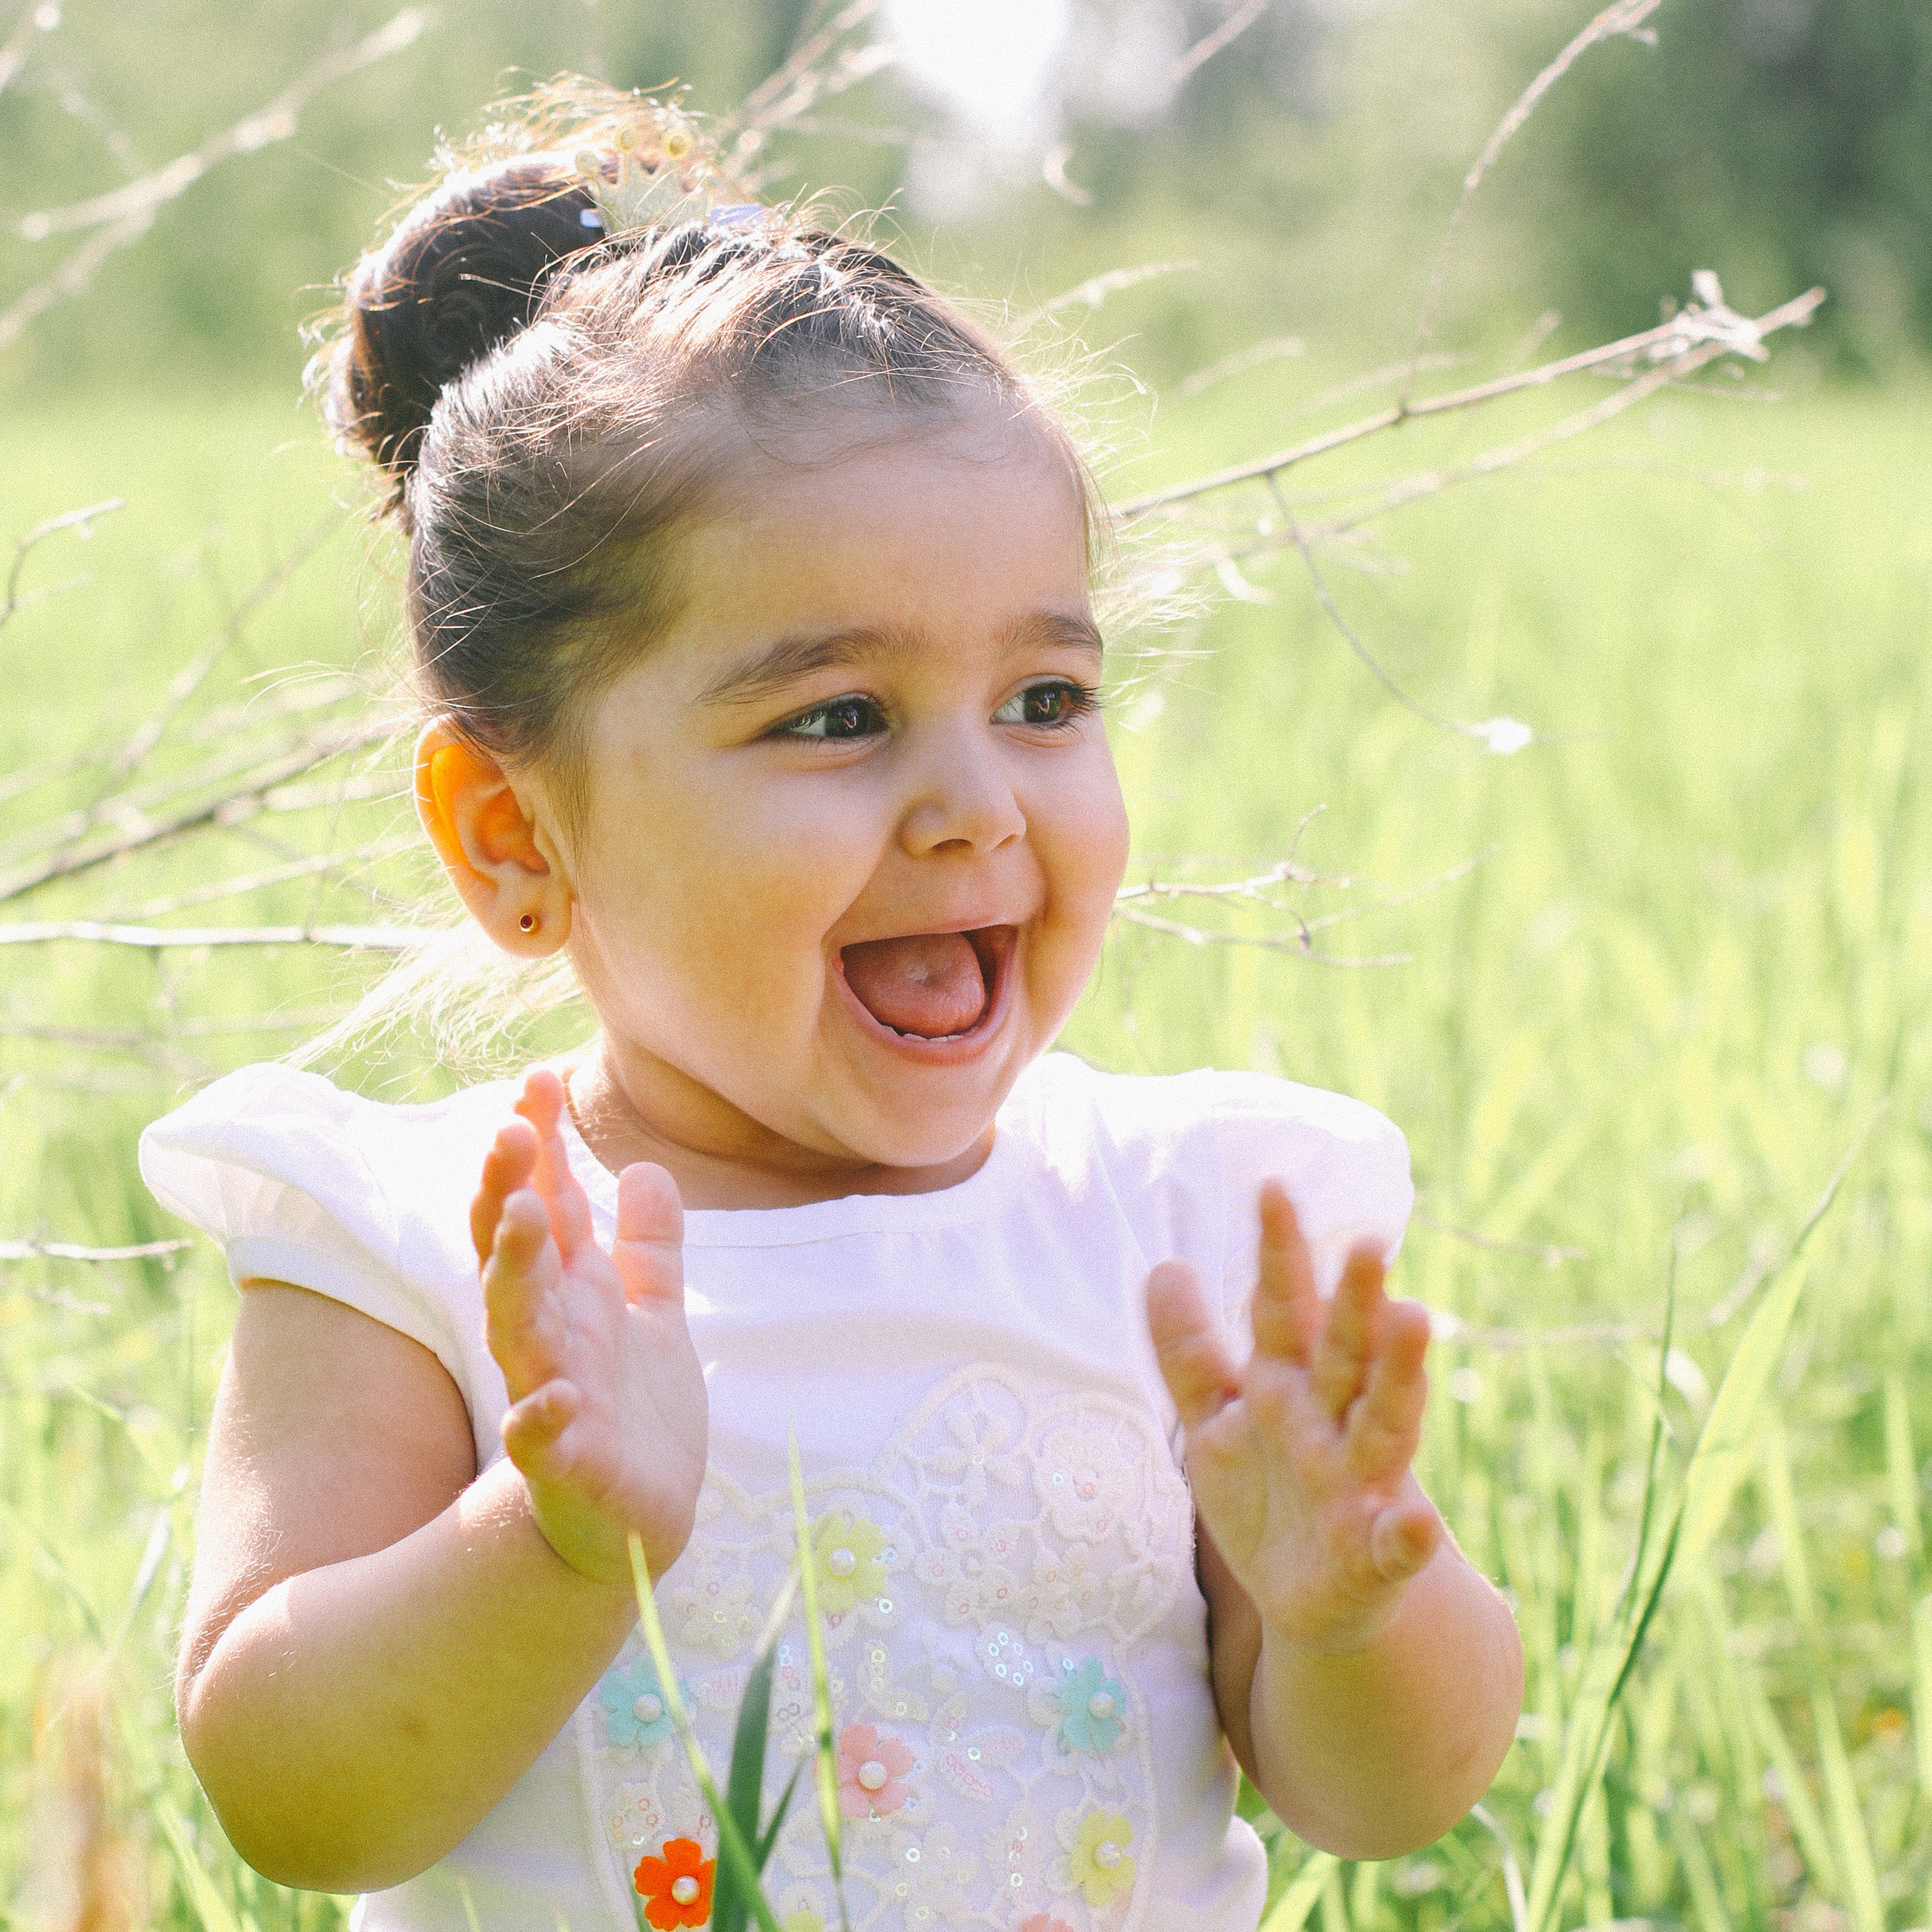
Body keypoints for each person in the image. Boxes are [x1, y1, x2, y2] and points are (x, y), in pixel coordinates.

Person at [140, 91, 1522, 1932]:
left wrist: (1351, 1607)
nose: (975, 804)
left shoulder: (1176, 1235)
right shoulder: (433, 1244)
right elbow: (291, 1792)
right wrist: (554, 1543)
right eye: (835, 716)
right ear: (513, 831)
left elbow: (1385, 1798)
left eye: (1043, 699)